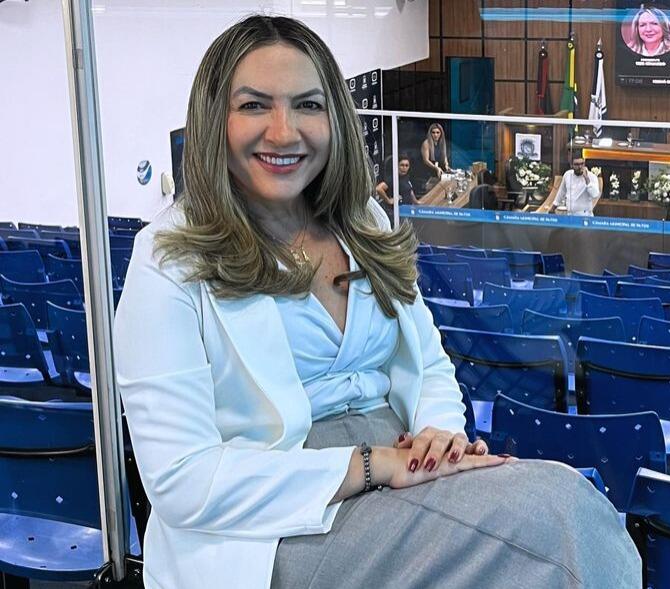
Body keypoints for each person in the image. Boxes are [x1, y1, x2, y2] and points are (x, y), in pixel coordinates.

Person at [113, 15, 640, 589]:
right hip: (274, 522)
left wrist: (438, 438)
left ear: (334, 118)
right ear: (214, 117)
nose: (284, 132)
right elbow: (184, 482)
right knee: (556, 534)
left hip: (401, 468)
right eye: (255, 105)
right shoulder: (166, 260)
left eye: (308, 105)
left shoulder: (362, 218)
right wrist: (370, 465)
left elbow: (428, 363)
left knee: (571, 507)